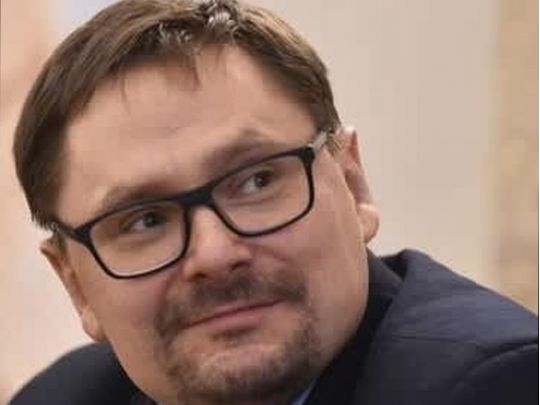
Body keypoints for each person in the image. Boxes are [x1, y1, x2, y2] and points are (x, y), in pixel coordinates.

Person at [8, 0, 538, 404]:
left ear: (353, 184)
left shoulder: (492, 385)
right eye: (145, 220)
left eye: (256, 182)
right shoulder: (63, 398)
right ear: (76, 285)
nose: (215, 255)